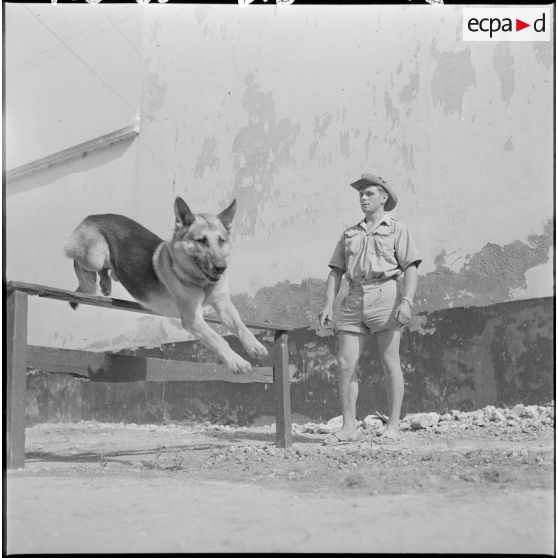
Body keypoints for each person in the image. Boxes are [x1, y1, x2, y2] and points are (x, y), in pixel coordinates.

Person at [318, 173, 421, 445]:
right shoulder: (350, 233)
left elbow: (410, 267)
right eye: (360, 194)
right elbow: (335, 271)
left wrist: (406, 301)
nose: (363, 198)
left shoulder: (397, 228)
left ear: (383, 198)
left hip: (385, 294)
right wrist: (328, 303)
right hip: (353, 297)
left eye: (369, 194)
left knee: (390, 362)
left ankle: (394, 426)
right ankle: (349, 427)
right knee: (345, 365)